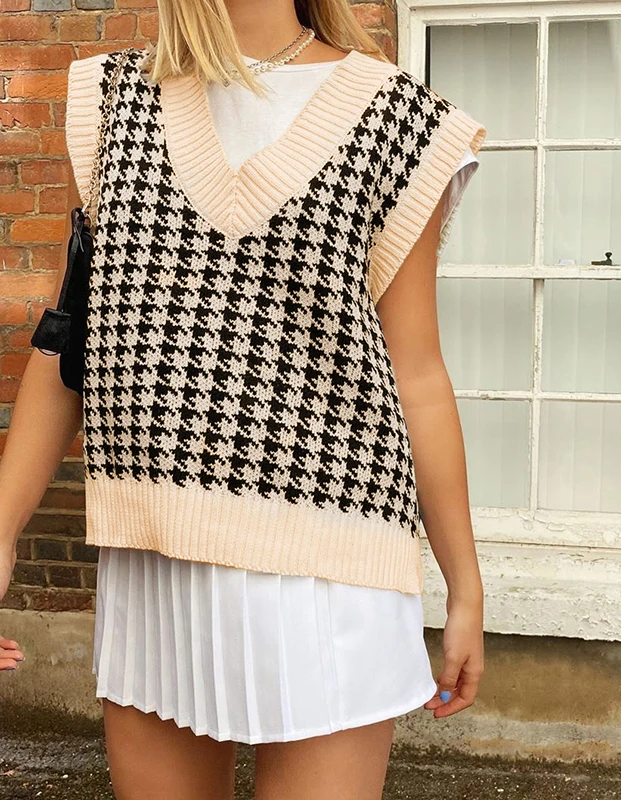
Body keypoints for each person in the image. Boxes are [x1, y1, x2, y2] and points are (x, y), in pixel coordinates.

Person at [0, 0, 487, 796]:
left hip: (333, 565)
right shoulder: (113, 102)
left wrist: (464, 584)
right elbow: (68, 346)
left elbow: (418, 374)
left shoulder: (401, 122)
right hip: (155, 560)